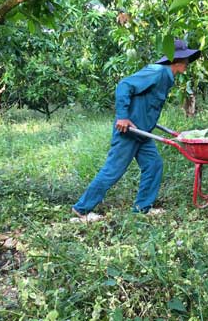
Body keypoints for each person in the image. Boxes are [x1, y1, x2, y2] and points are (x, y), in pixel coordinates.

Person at [71, 39, 201, 221]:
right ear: (177, 60)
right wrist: (123, 116)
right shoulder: (157, 72)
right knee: (113, 171)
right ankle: (81, 209)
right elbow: (124, 85)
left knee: (153, 165)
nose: (187, 63)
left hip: (141, 132)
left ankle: (142, 209)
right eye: (186, 59)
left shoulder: (166, 76)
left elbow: (147, 105)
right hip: (128, 132)